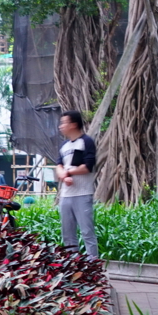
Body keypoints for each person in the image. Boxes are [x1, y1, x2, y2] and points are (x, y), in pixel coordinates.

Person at [57, 110, 99, 260]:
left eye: (64, 123)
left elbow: (87, 166)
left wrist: (68, 173)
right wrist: (62, 173)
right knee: (67, 233)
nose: (61, 126)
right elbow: (59, 165)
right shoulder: (64, 146)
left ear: (73, 124)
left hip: (82, 194)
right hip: (66, 195)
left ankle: (93, 267)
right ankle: (73, 266)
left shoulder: (86, 142)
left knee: (87, 232)